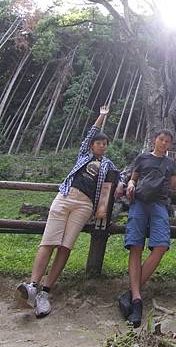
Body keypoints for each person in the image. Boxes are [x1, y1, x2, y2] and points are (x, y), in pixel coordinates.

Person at [16, 105, 122, 318]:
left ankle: (45, 293)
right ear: (92, 145)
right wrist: (101, 116)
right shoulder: (84, 154)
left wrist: (123, 184)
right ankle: (33, 286)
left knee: (65, 247)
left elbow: (119, 178)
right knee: (48, 242)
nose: (101, 145)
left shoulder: (109, 164)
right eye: (98, 143)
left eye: (104, 143)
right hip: (65, 196)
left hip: (85, 205)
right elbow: (90, 133)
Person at [124, 129, 176, 327]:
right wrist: (131, 185)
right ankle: (137, 301)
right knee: (136, 246)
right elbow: (133, 177)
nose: (164, 143)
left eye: (167, 141)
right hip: (139, 202)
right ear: (154, 140)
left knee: (160, 246)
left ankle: (131, 294)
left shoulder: (169, 163)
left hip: (159, 204)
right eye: (161, 139)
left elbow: (175, 187)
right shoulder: (142, 157)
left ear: (170, 145)